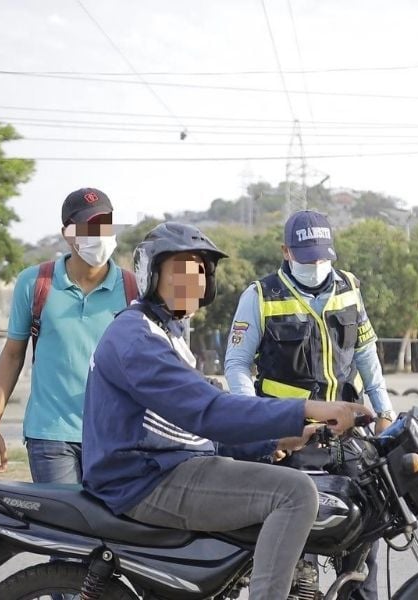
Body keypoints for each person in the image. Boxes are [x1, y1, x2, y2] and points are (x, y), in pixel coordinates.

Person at [81, 222, 374, 600]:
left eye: (201, 271)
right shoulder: (136, 337)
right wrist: (308, 407)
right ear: (151, 275)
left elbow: (191, 427)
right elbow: (210, 412)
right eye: (182, 270)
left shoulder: (165, 332)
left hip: (164, 466)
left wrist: (273, 442)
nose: (194, 280)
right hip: (143, 480)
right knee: (296, 493)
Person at [225, 210, 393, 599]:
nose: (316, 265)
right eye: (306, 257)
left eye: (321, 257)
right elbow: (236, 365)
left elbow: (366, 354)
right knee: (299, 552)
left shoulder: (349, 286)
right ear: (285, 251)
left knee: (365, 541)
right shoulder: (261, 296)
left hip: (348, 436)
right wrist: (260, 426)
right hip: (292, 439)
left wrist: (384, 412)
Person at [0, 188, 137, 485]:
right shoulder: (35, 282)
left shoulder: (133, 288)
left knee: (110, 517)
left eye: (105, 225)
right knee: (65, 515)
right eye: (88, 227)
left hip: (115, 436)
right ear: (67, 233)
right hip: (50, 436)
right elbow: (12, 355)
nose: (99, 234)